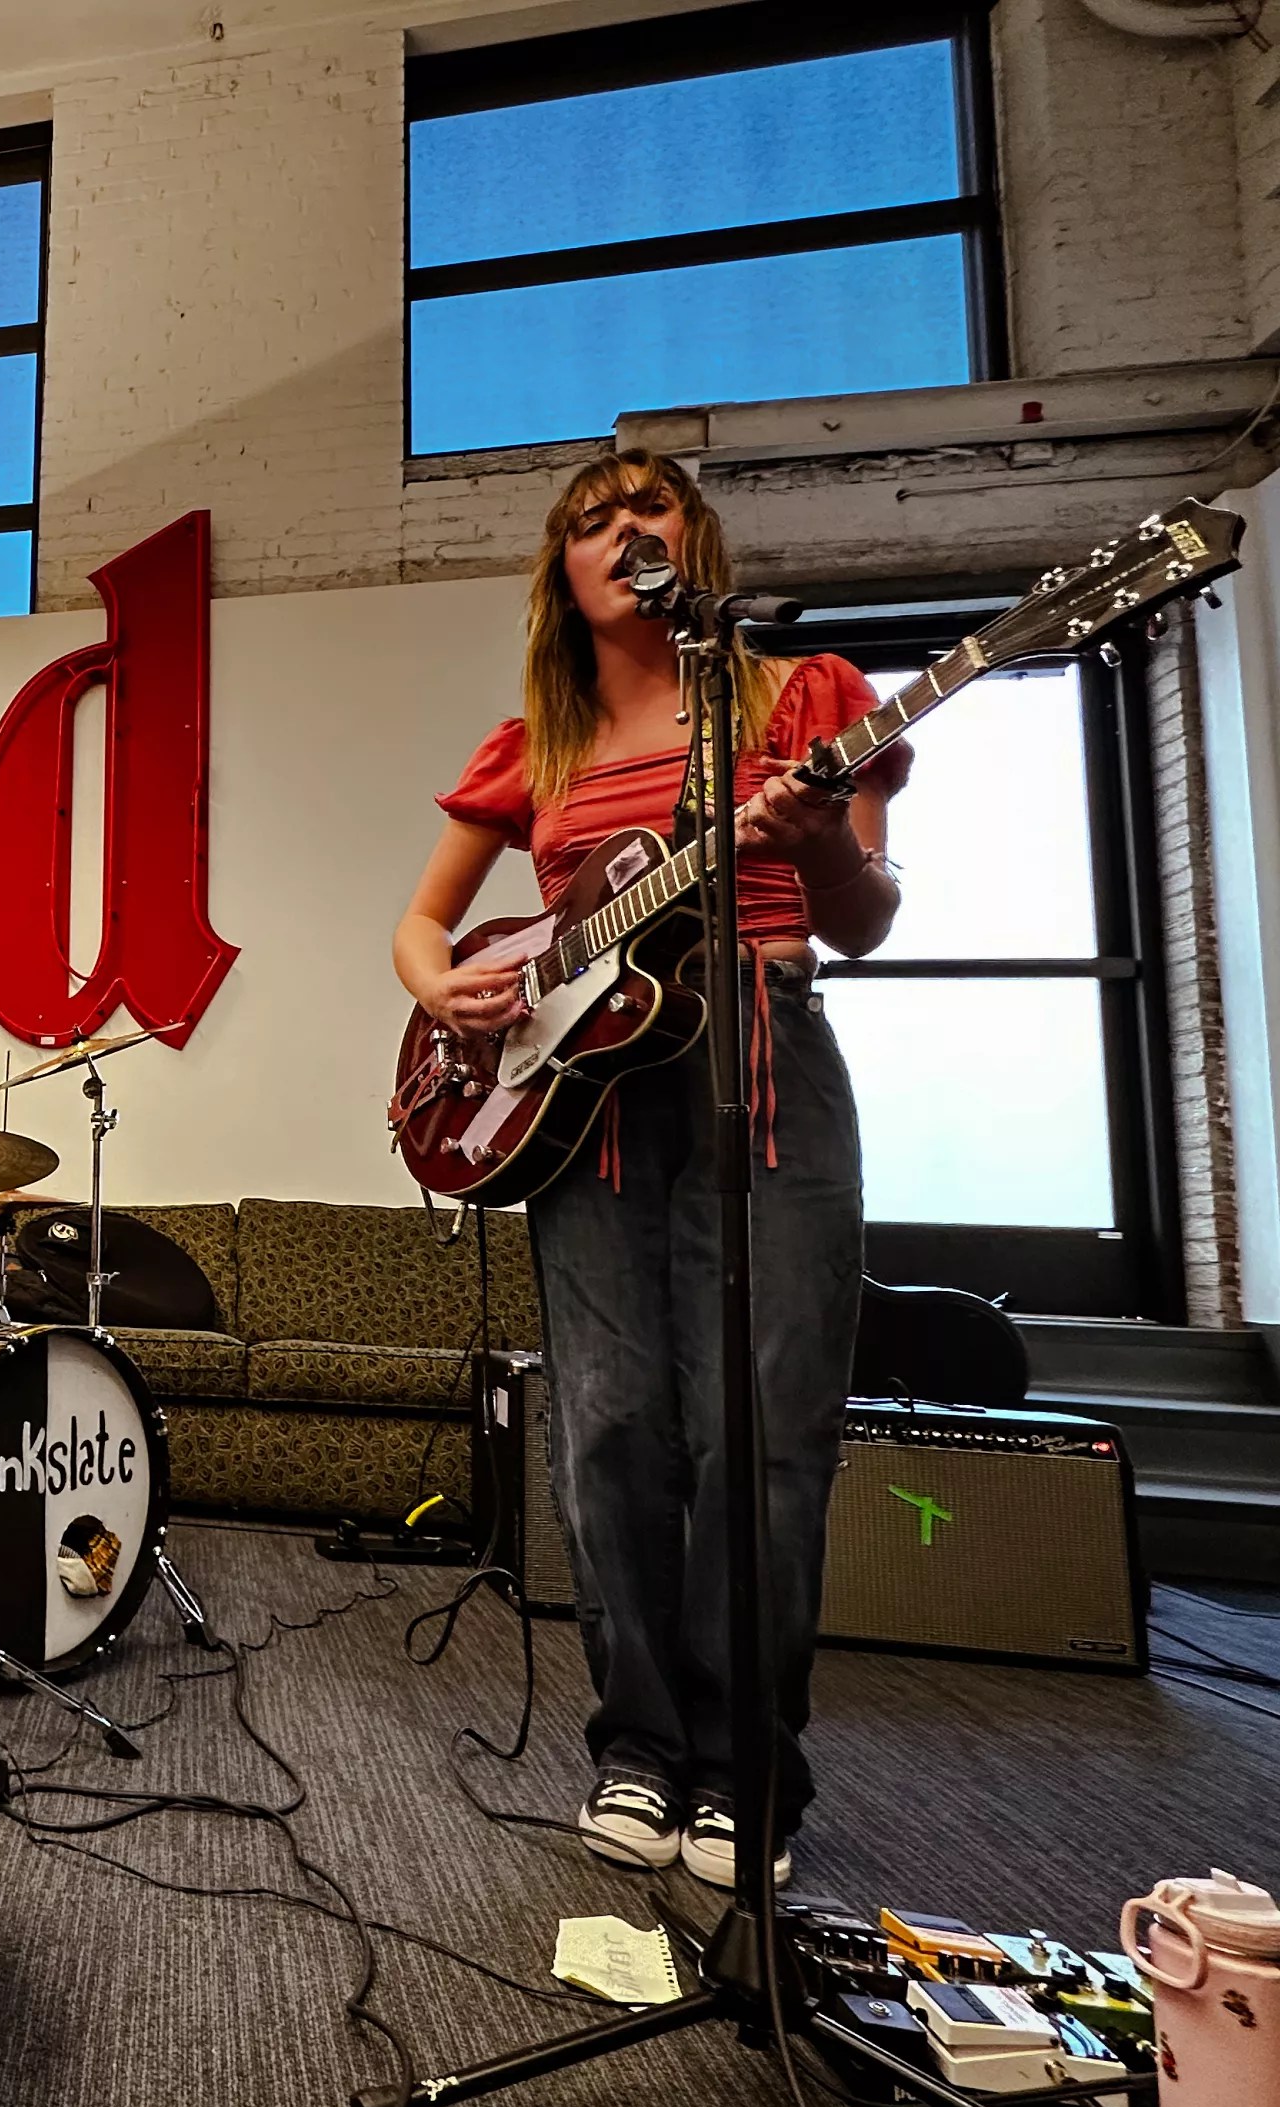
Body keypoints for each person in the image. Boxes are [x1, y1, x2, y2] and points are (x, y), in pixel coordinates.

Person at [391, 450, 909, 1891]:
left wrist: (809, 857)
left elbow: (868, 917)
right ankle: (637, 1750)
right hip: (593, 1098)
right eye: (591, 523)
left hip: (765, 1057)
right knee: (610, 1429)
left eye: (652, 509)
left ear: (698, 539)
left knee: (762, 1430)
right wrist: (447, 995)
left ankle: (748, 1772)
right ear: (561, 571)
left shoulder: (806, 703)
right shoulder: (533, 746)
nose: (625, 532)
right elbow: (422, 929)